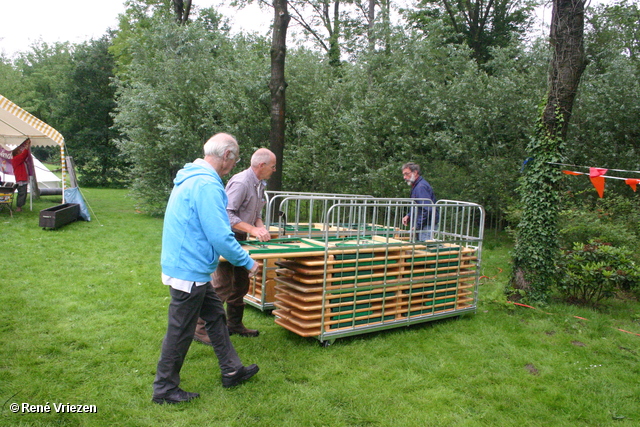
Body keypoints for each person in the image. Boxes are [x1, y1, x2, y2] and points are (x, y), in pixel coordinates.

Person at [152, 133, 261, 405]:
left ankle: (232, 369)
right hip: (189, 271)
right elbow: (220, 236)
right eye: (233, 162)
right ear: (226, 155)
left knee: (215, 317)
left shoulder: (193, 177)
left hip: (190, 267)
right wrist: (248, 262)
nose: (232, 167)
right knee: (180, 331)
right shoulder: (206, 185)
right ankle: (164, 389)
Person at [194, 148, 277, 344]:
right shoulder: (241, 182)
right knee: (222, 283)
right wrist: (254, 230)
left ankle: (234, 324)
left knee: (241, 283)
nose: (275, 170)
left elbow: (255, 212)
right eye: (273, 166)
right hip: (227, 236)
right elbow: (226, 215)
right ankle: (200, 328)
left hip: (242, 237)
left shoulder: (259, 184)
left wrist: (260, 227)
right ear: (261, 165)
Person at [401, 162, 439, 241]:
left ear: (415, 172)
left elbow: (427, 209)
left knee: (424, 249)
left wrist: (417, 226)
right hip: (424, 224)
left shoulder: (421, 187)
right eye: (403, 175)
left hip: (426, 225)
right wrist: (409, 215)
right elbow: (418, 206)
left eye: (406, 174)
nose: (404, 177)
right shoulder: (417, 185)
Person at [11, 138, 31, 212]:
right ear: (16, 153)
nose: (21, 152)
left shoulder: (17, 159)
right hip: (21, 178)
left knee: (23, 193)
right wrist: (27, 145)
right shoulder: (16, 159)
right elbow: (24, 155)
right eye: (19, 151)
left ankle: (20, 207)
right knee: (22, 193)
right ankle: (19, 207)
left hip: (22, 177)